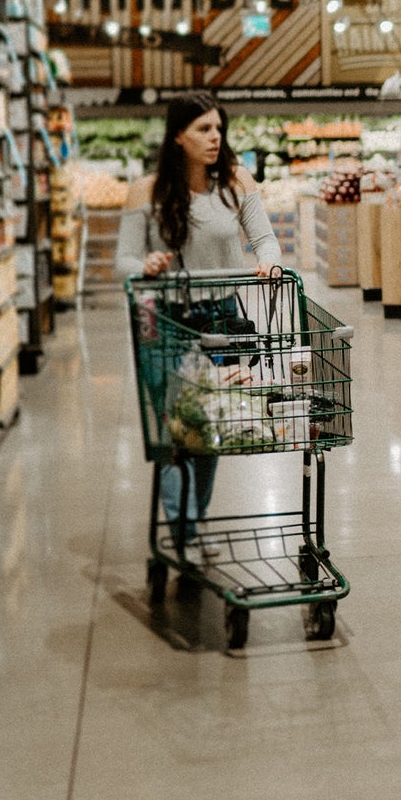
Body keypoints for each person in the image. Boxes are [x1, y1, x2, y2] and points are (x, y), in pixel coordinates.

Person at [117, 91, 283, 557]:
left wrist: (269, 263)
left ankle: (193, 522)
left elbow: (266, 241)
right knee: (174, 429)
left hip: (221, 319)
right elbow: (122, 262)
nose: (215, 138)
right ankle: (184, 531)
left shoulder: (236, 182)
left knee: (209, 424)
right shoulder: (146, 191)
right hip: (165, 319)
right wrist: (143, 264)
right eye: (203, 130)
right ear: (177, 137)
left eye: (218, 129)